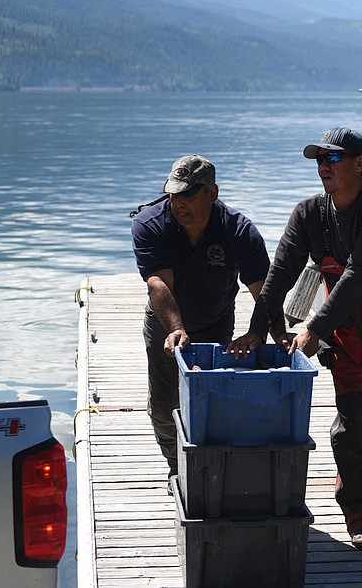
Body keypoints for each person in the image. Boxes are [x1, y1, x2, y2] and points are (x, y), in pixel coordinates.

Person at [237, 127, 362, 551]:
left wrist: (313, 329)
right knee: (351, 430)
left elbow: (358, 276)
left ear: (360, 163)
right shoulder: (307, 214)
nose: (324, 167)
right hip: (349, 346)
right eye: (319, 160)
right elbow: (279, 276)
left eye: (334, 159)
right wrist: (255, 329)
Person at [130, 154, 282, 483]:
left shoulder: (239, 230)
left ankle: (210, 466)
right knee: (164, 403)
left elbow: (264, 292)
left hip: (216, 321)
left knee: (213, 398)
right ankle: (176, 465)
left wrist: (264, 333)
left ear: (212, 193)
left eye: (188, 195)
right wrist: (177, 328)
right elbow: (158, 282)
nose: (178, 203)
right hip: (164, 322)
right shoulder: (149, 224)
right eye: (173, 195)